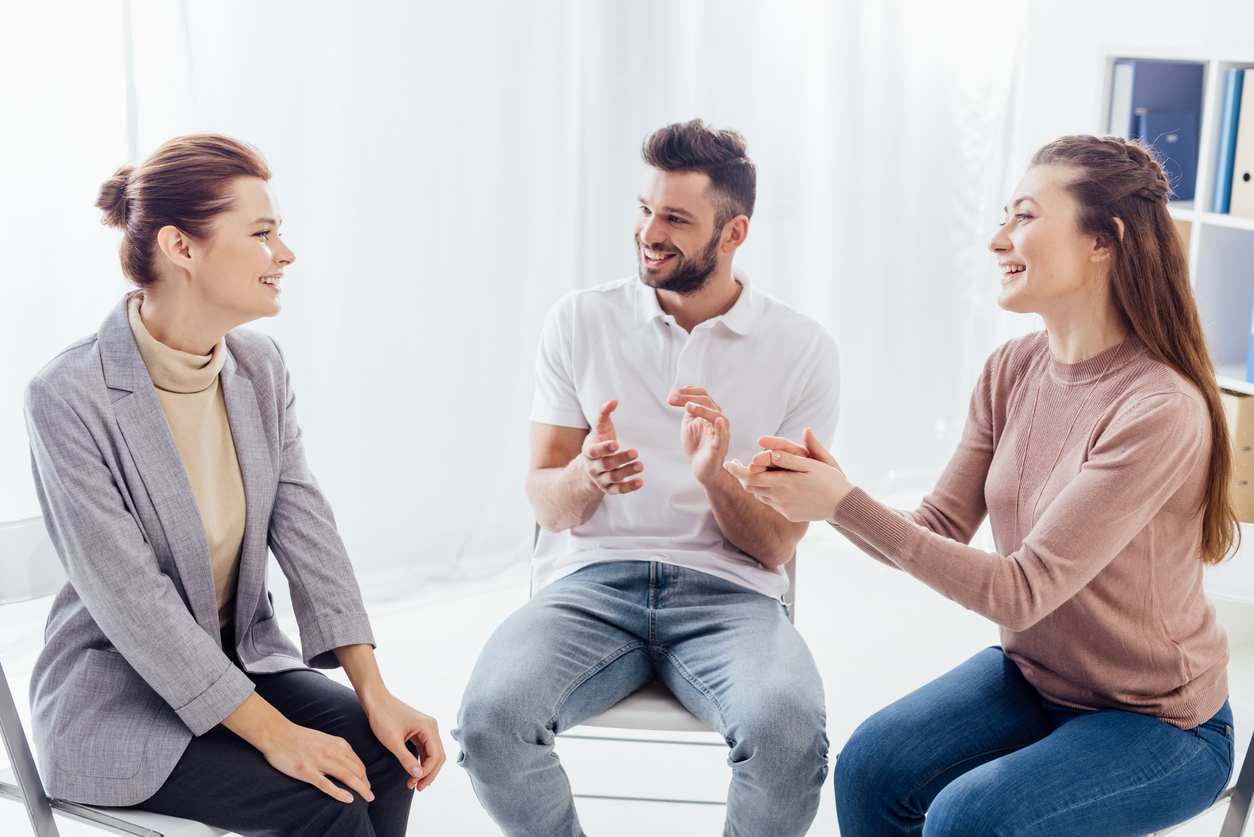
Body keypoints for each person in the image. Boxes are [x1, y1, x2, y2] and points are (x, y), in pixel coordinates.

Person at [726, 134, 1237, 836]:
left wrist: (843, 504)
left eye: (1024, 216)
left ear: (1104, 241)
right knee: (869, 766)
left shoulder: (1159, 409)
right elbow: (938, 525)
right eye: (1002, 215)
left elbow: (1022, 589)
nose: (998, 237)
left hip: (1159, 721)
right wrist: (832, 494)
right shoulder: (1012, 368)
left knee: (970, 817)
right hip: (1038, 679)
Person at [24, 134, 444, 837]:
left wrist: (375, 691)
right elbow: (136, 605)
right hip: (120, 700)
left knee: (381, 751)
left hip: (240, 665)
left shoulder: (259, 367)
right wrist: (277, 734)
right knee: (326, 795)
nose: (285, 253)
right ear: (181, 248)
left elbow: (310, 532)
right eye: (262, 232)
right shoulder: (69, 395)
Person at [453, 119, 840, 837]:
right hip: (590, 585)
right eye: (643, 209)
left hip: (733, 597)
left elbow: (777, 547)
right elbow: (545, 498)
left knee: (790, 737)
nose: (648, 232)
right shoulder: (579, 319)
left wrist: (716, 479)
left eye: (675, 218)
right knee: (489, 724)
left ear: (734, 234)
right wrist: (587, 474)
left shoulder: (801, 348)